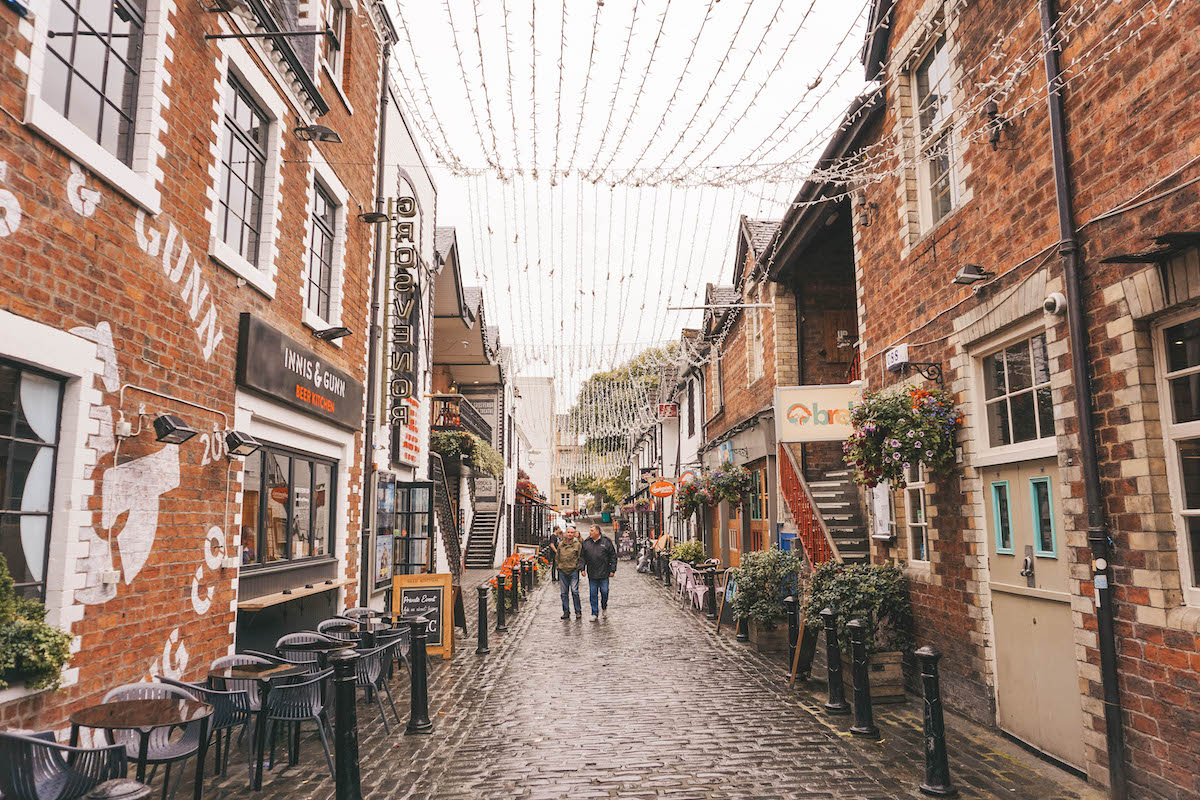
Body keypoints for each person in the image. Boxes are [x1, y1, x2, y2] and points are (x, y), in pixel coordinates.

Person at [580, 524, 618, 620]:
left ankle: (604, 607)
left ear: (598, 531)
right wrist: (582, 568)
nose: (590, 532)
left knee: (604, 592)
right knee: (593, 593)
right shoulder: (587, 542)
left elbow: (613, 556)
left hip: (604, 572)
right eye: (590, 530)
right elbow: (582, 557)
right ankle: (594, 613)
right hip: (592, 573)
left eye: (592, 530)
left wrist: (612, 569)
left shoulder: (606, 541)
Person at [556, 528, 583, 620]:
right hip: (563, 571)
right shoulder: (561, 544)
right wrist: (558, 566)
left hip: (573, 571)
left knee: (574, 591)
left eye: (572, 532)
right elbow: (557, 556)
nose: (570, 534)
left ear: (574, 534)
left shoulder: (577, 544)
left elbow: (580, 557)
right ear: (565, 533)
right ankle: (566, 612)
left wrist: (578, 567)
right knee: (564, 593)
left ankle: (578, 611)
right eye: (568, 532)